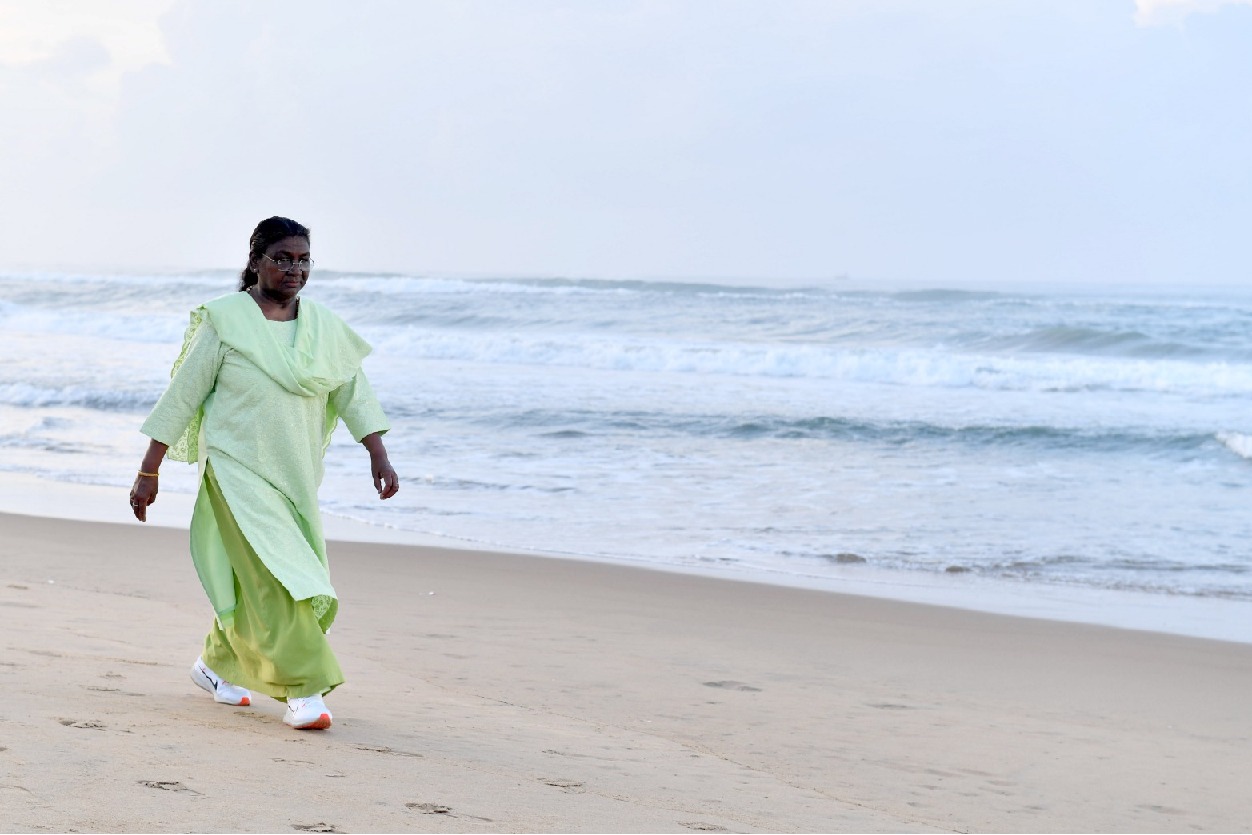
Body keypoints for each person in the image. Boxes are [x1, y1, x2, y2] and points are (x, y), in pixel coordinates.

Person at [129, 216, 399, 730]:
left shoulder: (323, 328)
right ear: (256, 261)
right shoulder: (225, 320)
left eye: (303, 259)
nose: (294, 269)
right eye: (282, 258)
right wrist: (149, 470)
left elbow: (353, 394)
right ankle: (305, 690)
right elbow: (182, 396)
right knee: (280, 580)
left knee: (259, 576)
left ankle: (216, 665)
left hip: (295, 476)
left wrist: (378, 455)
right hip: (235, 471)